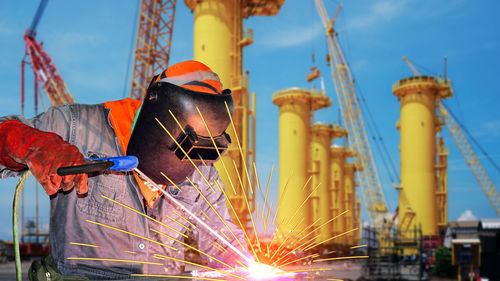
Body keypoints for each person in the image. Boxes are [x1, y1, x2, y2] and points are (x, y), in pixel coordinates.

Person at [0, 61, 249, 279]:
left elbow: (220, 239)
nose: (192, 164)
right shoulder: (77, 126)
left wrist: (240, 265)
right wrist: (29, 144)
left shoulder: (202, 167)